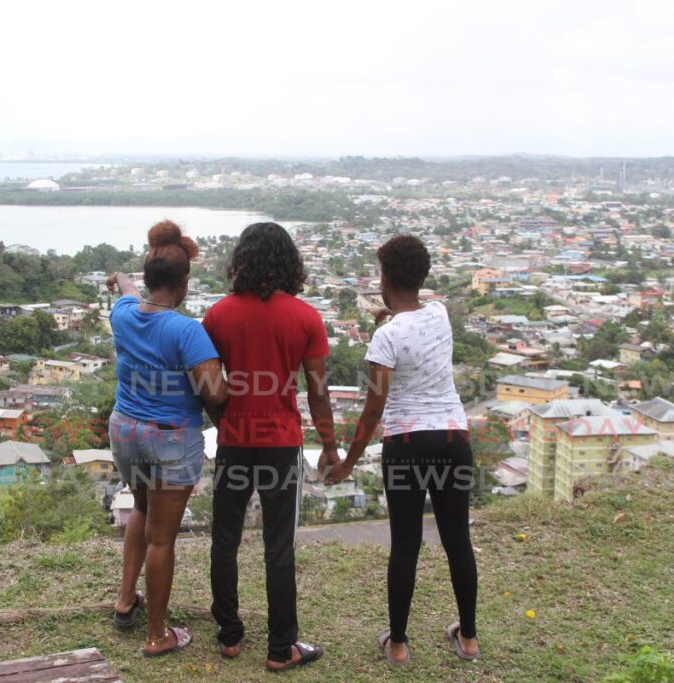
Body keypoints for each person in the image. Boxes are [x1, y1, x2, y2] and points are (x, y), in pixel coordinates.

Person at [325, 234, 480, 665]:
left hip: (406, 444)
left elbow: (373, 410)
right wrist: (388, 315)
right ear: (423, 276)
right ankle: (468, 638)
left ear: (382, 277)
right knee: (457, 542)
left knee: (406, 545)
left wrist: (348, 462)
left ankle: (398, 644)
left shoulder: (386, 339)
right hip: (452, 439)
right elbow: (414, 313)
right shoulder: (441, 314)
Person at [202, 222, 339, 673]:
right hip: (281, 444)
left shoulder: (219, 316)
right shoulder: (305, 318)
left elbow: (208, 386)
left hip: (234, 444)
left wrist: (224, 423)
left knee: (225, 540)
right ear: (289, 262)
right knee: (279, 547)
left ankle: (229, 635)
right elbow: (317, 392)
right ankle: (282, 648)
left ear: (241, 259)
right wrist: (330, 446)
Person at [107, 221, 228, 657]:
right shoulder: (186, 331)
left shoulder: (123, 313)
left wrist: (120, 279)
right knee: (163, 537)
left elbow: (122, 286)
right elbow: (214, 392)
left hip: (125, 429)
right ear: (184, 283)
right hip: (171, 438)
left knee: (140, 507)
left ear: (146, 280)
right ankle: (158, 634)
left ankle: (125, 603)